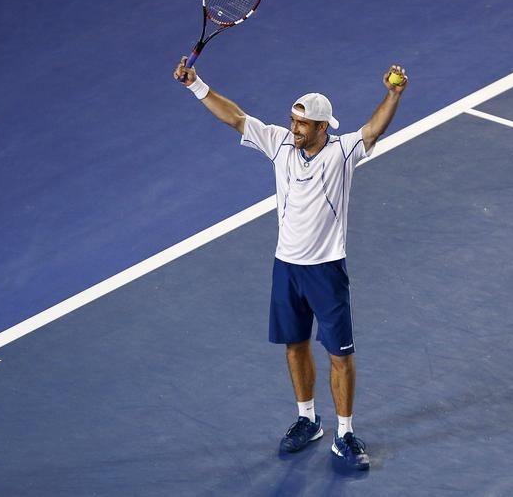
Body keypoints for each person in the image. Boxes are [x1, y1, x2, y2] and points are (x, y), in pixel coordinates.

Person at [174, 58, 408, 470]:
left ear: (322, 127)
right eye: (292, 120)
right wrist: (196, 85)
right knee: (295, 345)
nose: (294, 128)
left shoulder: (342, 153)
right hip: (286, 268)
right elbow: (236, 118)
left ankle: (345, 433)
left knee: (339, 355)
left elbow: (374, 129)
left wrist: (393, 94)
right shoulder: (280, 143)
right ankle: (307, 420)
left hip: (326, 270)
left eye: (302, 123)